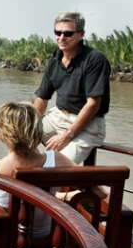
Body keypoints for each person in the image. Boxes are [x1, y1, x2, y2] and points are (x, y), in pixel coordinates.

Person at [0, 101, 75, 238]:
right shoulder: (56, 160)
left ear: (3, 132)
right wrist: (60, 196)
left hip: (7, 240)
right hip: (45, 237)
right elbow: (98, 192)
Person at [33, 11, 110, 164]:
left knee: (56, 167)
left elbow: (93, 104)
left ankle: (47, 170)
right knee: (17, 134)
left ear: (81, 34)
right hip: (57, 117)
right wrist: (29, 123)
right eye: (58, 33)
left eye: (68, 33)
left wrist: (67, 135)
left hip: (87, 125)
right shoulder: (54, 61)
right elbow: (42, 99)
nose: (62, 37)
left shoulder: (95, 59)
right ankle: (33, 166)